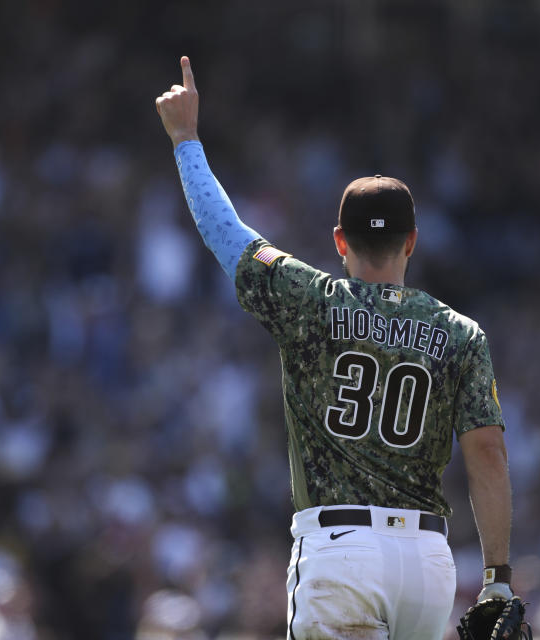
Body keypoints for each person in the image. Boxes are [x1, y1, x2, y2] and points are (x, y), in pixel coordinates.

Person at [156, 56, 518, 640]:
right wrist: (498, 577)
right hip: (427, 563)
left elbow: (224, 231)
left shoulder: (312, 299)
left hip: (340, 551)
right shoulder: (460, 332)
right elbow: (489, 457)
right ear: (413, 243)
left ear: (339, 241)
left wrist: (186, 140)